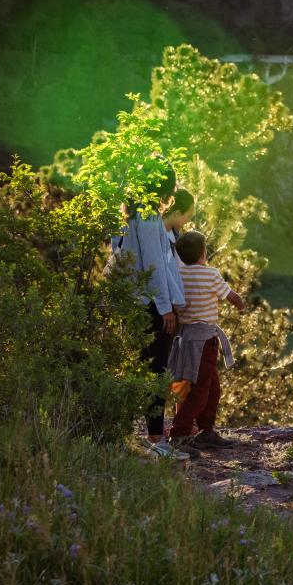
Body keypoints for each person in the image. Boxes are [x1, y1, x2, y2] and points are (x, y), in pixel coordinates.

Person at [112, 169, 188, 460]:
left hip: (136, 301)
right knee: (156, 371)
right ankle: (156, 439)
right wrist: (166, 307)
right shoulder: (147, 217)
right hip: (151, 304)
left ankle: (140, 434)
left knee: (142, 366)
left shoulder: (130, 216)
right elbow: (154, 265)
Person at [166, 230, 244, 456]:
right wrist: (241, 305)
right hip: (205, 342)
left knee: (212, 387)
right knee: (200, 392)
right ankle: (179, 434)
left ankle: (206, 432)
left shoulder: (178, 273)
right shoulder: (210, 274)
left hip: (186, 339)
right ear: (204, 253)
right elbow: (231, 296)